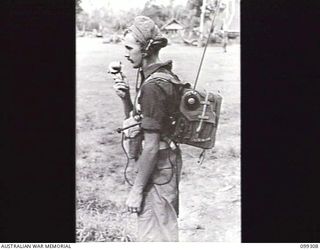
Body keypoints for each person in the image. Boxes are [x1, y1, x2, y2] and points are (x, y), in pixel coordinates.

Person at [111, 16, 183, 242]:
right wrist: (127, 100)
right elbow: (143, 125)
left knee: (156, 235)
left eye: (129, 48)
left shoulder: (154, 85)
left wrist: (136, 191)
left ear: (146, 50)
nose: (125, 53)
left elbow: (151, 146)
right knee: (161, 227)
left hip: (158, 165)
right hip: (164, 163)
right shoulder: (161, 76)